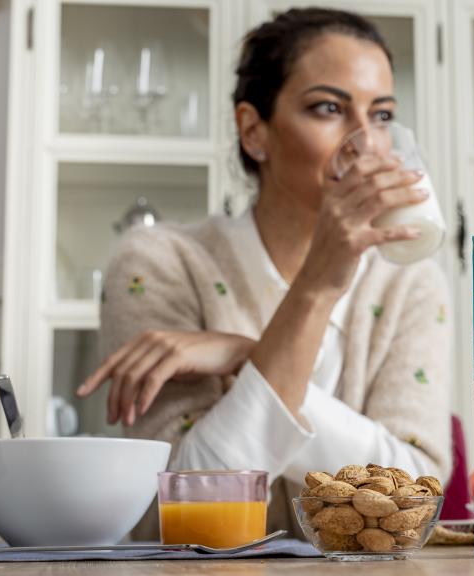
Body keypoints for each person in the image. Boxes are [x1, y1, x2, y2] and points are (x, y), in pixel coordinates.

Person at [76, 7, 452, 537]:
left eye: (383, 116)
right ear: (255, 132)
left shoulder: (409, 281)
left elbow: (413, 505)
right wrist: (317, 286)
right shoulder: (160, 263)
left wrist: (244, 352)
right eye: (329, 108)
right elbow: (185, 513)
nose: (366, 142)